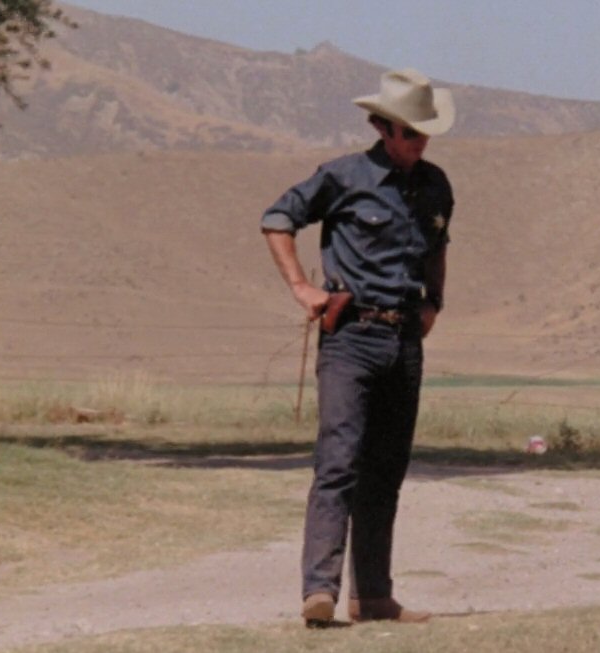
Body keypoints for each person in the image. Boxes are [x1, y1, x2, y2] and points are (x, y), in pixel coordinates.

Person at [260, 68, 454, 627]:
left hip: (404, 340)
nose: (419, 142)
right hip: (350, 339)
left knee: (386, 470)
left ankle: (373, 596)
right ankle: (318, 592)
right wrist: (302, 287)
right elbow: (277, 220)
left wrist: (434, 302)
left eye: (425, 131)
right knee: (338, 463)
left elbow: (438, 246)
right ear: (382, 127)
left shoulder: (437, 185)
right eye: (410, 132)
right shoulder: (344, 176)